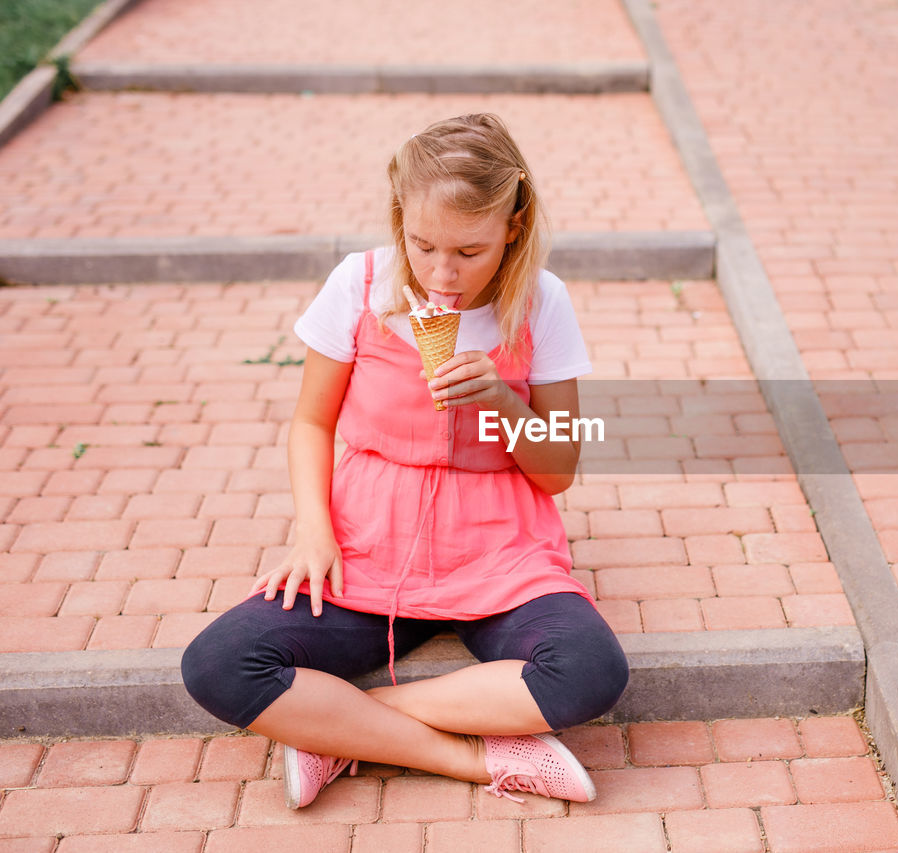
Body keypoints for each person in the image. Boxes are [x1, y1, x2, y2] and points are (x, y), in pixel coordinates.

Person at [181, 113, 629, 809]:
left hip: (498, 550)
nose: (443, 273)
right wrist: (312, 529)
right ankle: (474, 761)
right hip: (367, 542)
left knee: (590, 669)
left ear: (513, 225)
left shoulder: (542, 300)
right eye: (423, 245)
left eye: (470, 251)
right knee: (217, 662)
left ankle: (341, 729)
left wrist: (504, 403)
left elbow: (559, 468)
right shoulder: (358, 285)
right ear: (399, 217)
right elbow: (310, 421)